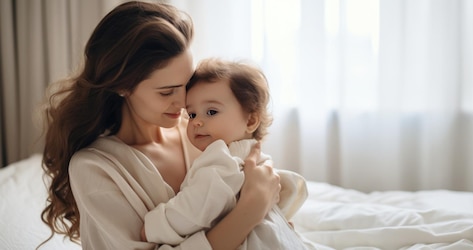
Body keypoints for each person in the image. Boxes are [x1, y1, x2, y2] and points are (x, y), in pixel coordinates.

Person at [40, 1, 282, 249]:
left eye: (187, 84)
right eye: (167, 92)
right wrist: (250, 211)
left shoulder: (200, 133)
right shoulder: (95, 168)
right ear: (122, 86)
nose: (184, 101)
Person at [141, 57, 314, 249]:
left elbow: (194, 209)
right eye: (192, 114)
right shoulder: (251, 157)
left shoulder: (221, 159)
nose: (197, 121)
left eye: (212, 112)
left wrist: (154, 226)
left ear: (250, 121)